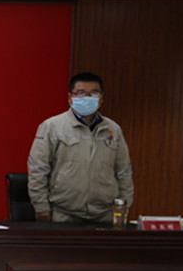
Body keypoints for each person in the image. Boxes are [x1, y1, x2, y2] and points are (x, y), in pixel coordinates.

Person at [28, 72, 134, 224]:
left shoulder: (113, 130)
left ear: (101, 98)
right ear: (70, 97)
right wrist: (41, 207)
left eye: (94, 93)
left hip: (104, 214)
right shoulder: (52, 127)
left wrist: (123, 207)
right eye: (81, 93)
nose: (87, 98)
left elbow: (124, 172)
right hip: (63, 214)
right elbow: (38, 169)